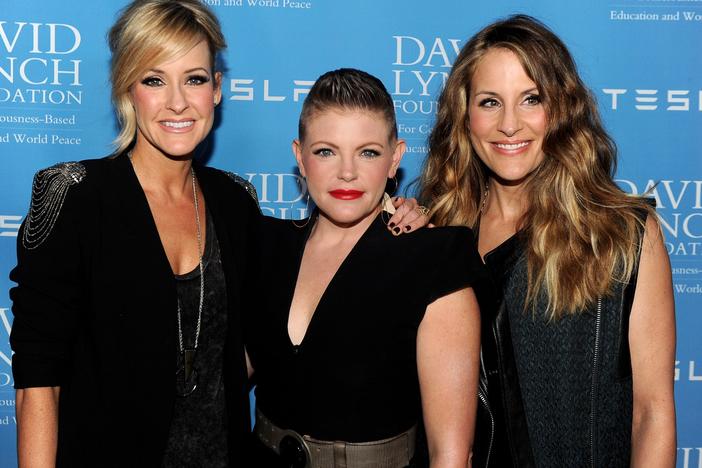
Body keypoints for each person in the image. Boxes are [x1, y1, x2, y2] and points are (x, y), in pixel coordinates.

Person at [9, 2, 427, 466]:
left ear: (218, 89)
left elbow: (270, 329)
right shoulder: (73, 197)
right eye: (154, 80)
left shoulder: (235, 202)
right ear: (127, 89)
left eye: (195, 79)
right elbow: (37, 385)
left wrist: (393, 208)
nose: (177, 102)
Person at [418, 15, 676, 468]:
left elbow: (651, 414)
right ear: (465, 115)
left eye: (531, 99)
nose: (510, 125)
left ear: (560, 109)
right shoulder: (435, 234)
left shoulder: (623, 234)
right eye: (490, 102)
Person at [244, 68, 482, 468]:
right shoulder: (265, 245)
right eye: (326, 151)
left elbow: (451, 455)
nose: (347, 172)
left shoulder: (434, 259)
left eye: (368, 152)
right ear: (299, 157)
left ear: (395, 159)